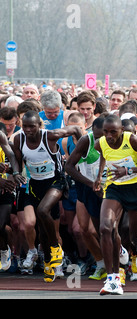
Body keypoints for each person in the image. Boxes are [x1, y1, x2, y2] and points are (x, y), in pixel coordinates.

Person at [12, 110, 82, 283]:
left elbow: (76, 129)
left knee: (43, 211)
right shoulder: (19, 139)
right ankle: (49, 263)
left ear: (39, 125)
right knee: (42, 229)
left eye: (32, 126)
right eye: (25, 126)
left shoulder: (51, 136)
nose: (28, 130)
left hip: (56, 181)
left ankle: (56, 249)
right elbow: (17, 158)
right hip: (36, 184)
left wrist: (80, 154)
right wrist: (15, 172)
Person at [94, 114, 137, 295]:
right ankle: (112, 280)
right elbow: (103, 157)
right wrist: (99, 176)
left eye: (113, 131)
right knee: (106, 228)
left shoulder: (133, 140)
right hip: (114, 189)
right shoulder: (101, 143)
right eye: (105, 131)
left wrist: (128, 170)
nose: (109, 135)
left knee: (134, 236)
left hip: (136, 189)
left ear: (121, 130)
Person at [65, 117, 107, 281]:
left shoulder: (118, 140)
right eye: (97, 136)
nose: (100, 141)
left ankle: (118, 265)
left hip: (110, 189)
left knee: (107, 229)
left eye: (103, 137)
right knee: (84, 230)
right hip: (87, 187)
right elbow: (68, 167)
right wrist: (91, 184)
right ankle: (101, 263)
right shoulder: (86, 140)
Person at [0, 124, 27, 271]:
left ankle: (5, 250)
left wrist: (15, 174)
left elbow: (11, 156)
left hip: (6, 190)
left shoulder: (4, 140)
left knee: (1, 225)